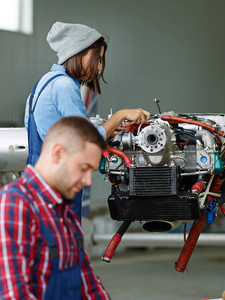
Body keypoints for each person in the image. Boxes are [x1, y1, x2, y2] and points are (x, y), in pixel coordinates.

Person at [24, 21, 150, 219]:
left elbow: (57, 131)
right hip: (60, 183)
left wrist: (107, 130)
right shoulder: (64, 86)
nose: (99, 67)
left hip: (37, 180)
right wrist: (120, 115)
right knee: (63, 243)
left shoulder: (43, 84)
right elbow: (86, 140)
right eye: (97, 59)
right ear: (79, 52)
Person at [0, 116, 111, 299]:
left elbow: (89, 288)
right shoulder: (11, 208)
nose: (87, 181)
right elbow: (11, 296)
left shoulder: (65, 214)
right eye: (83, 168)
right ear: (58, 153)